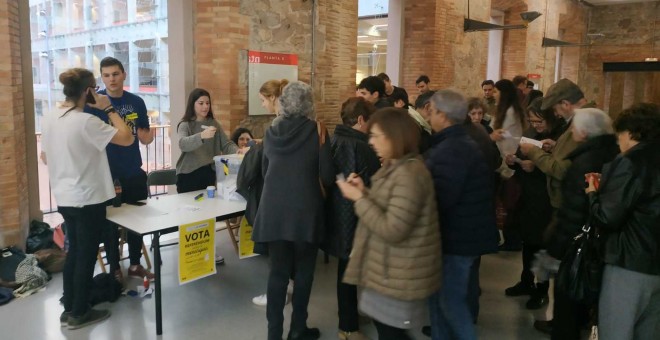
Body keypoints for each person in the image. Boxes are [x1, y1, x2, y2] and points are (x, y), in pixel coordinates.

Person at [337, 108, 441, 340]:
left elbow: (393, 229)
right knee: (388, 330)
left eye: (376, 136)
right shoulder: (397, 166)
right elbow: (390, 207)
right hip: (389, 270)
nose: (370, 141)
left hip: (399, 274)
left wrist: (359, 199)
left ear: (396, 137)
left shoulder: (409, 174)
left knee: (391, 333)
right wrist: (364, 190)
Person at [41, 68, 134, 329]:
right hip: (89, 197)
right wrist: (108, 108)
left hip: (65, 196)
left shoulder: (49, 117)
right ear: (88, 91)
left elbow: (45, 156)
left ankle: (69, 305)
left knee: (75, 252)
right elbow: (126, 138)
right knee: (86, 255)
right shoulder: (85, 121)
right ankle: (79, 312)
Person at [251, 81, 335, 340]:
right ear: (310, 103)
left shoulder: (271, 131)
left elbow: (265, 171)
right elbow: (328, 176)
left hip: (274, 212)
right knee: (304, 272)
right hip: (305, 212)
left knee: (277, 273)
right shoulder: (317, 131)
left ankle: (273, 333)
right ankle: (298, 328)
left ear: (282, 102)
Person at [518, 78, 595, 336]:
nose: (557, 116)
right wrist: (552, 148)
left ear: (565, 104)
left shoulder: (584, 125)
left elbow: (563, 170)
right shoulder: (580, 123)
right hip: (571, 205)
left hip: (571, 206)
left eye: (557, 110)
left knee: (566, 273)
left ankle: (565, 324)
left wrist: (535, 153)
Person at [425, 90, 499, 339]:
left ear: (443, 116)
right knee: (441, 302)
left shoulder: (452, 149)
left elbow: (441, 198)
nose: (428, 115)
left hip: (456, 239)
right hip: (459, 235)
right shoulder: (458, 142)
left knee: (451, 303)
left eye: (432, 111)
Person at [585, 103, 660, 340]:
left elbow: (607, 216)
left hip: (628, 262)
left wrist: (592, 194)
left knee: (616, 331)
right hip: (655, 265)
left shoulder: (630, 161)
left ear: (629, 132)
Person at [545, 108, 619, 340]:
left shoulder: (584, 161)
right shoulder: (615, 154)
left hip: (577, 245)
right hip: (602, 244)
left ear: (584, 132)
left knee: (567, 306)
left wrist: (556, 246)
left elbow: (574, 211)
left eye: (574, 126)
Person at [86, 56, 155, 282]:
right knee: (110, 224)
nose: (111, 79)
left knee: (137, 219)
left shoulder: (136, 101)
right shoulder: (94, 105)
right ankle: (114, 268)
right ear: (101, 77)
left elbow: (145, 137)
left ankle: (135, 264)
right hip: (106, 172)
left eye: (115, 74)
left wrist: (147, 135)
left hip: (133, 169)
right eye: (106, 75)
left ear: (124, 74)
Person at [323, 97, 381, 340]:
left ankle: (349, 317)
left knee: (347, 268)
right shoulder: (360, 146)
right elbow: (374, 183)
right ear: (360, 120)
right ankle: (347, 327)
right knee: (349, 270)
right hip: (355, 217)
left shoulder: (334, 140)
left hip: (336, 214)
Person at [503, 98, 566, 309]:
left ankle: (541, 288)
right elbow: (522, 154)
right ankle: (526, 280)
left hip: (547, 198)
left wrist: (536, 164)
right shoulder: (530, 134)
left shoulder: (559, 138)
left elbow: (558, 169)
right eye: (532, 121)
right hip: (528, 195)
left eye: (540, 121)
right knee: (528, 241)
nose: (536, 126)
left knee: (542, 244)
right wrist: (515, 161)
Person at [239, 79, 292, 307]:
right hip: (292, 197)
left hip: (276, 196)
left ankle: (276, 295)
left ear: (273, 98)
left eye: (263, 100)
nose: (262, 105)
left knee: (276, 251)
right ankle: (288, 283)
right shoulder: (293, 125)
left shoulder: (278, 126)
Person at [175, 88, 239, 265]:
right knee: (189, 215)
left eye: (207, 103)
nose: (204, 106)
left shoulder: (214, 123)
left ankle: (208, 250)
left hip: (208, 173)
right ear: (193, 104)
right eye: (200, 103)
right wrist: (202, 136)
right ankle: (190, 253)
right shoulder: (185, 124)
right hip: (188, 174)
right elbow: (183, 144)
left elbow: (226, 144)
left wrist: (238, 150)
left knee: (208, 214)